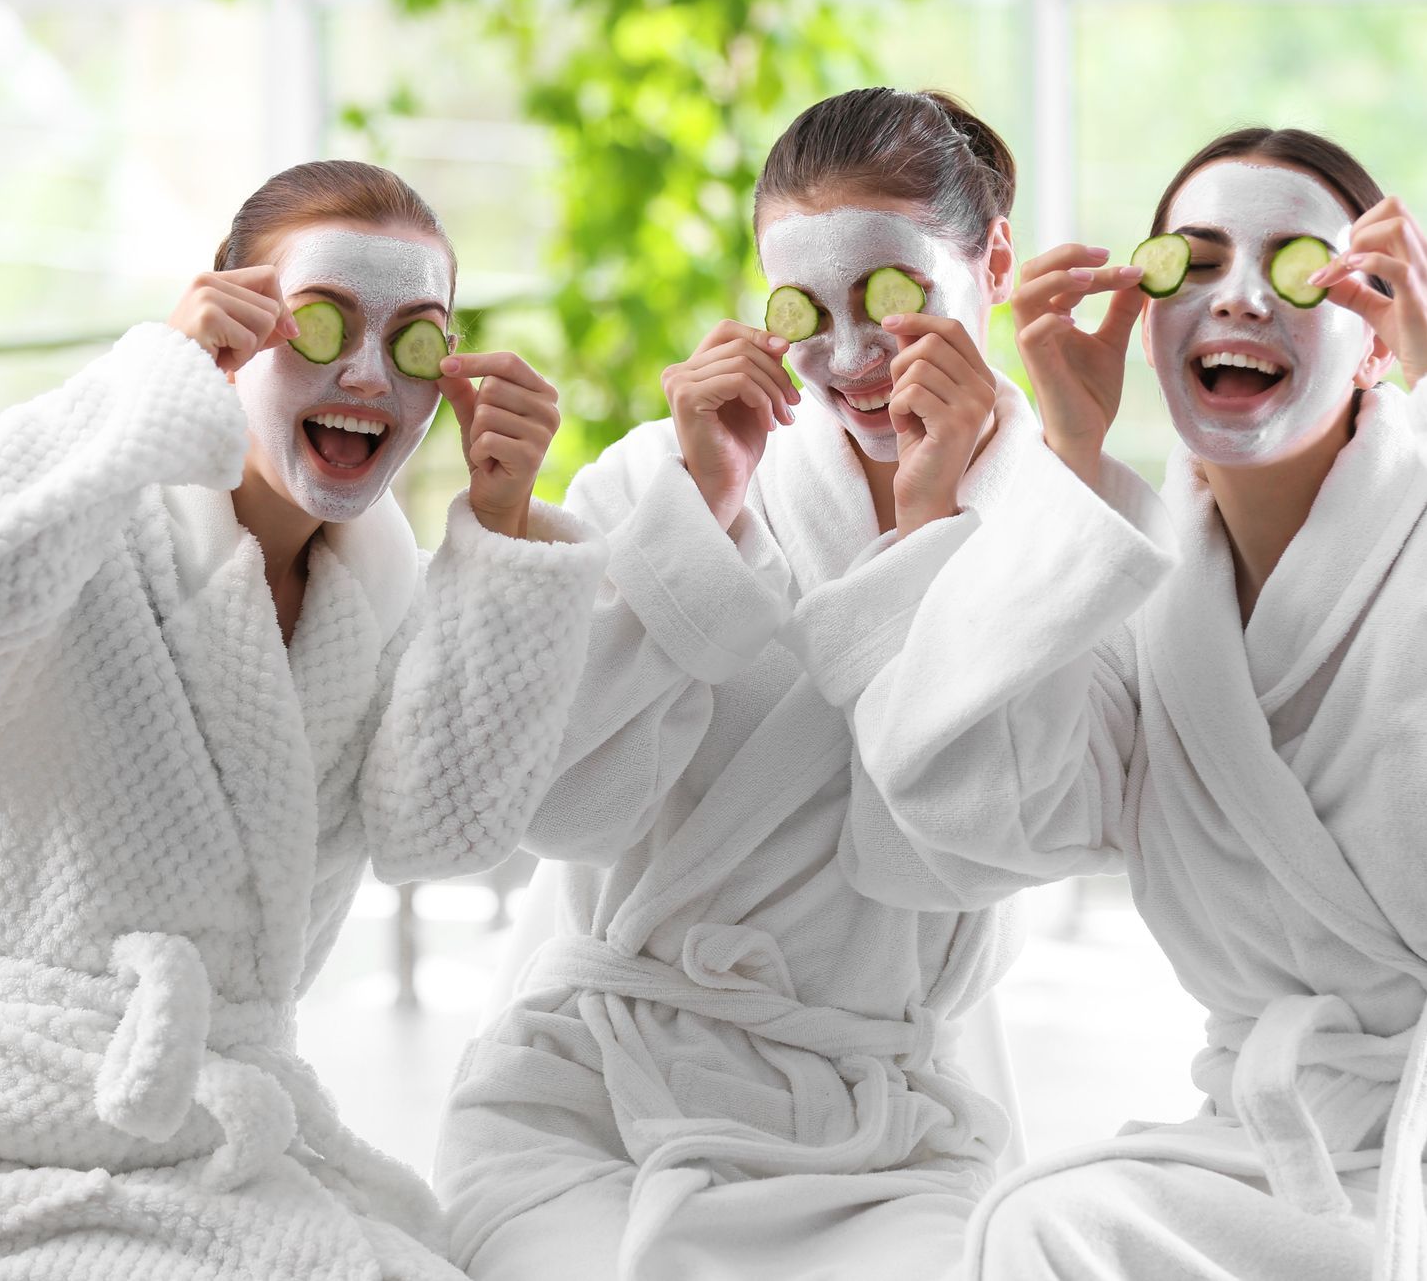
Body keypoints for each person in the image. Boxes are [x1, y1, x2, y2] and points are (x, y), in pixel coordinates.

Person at [836, 127, 1427, 1279]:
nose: (1233, 299)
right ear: (1144, 313)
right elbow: (981, 831)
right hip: (1288, 1162)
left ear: (1377, 338)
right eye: (1194, 261)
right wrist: (1067, 455)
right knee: (1045, 1227)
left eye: (1290, 268)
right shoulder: (1134, 586)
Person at [0, 159, 606, 1279]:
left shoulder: (374, 600)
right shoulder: (87, 521)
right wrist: (151, 375)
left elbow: (442, 836)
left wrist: (502, 532)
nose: (368, 373)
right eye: (323, 323)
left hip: (216, 1135)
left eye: (416, 337)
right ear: (229, 321)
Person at [433, 88, 1040, 1281]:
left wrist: (929, 539)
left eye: (894, 295)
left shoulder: (1050, 535)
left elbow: (934, 854)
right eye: (803, 308)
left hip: (885, 1125)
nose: (852, 355)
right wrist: (698, 521)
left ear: (994, 264)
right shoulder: (658, 479)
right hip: (590, 1090)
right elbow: (552, 812)